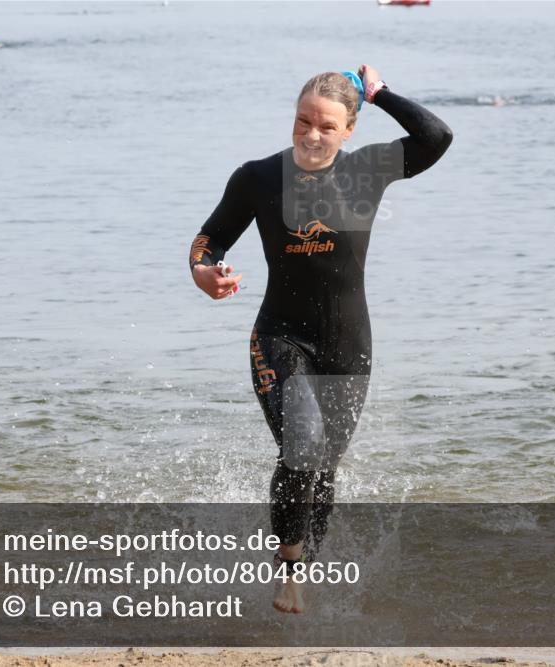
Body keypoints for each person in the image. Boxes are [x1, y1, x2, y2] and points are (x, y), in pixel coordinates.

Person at [188, 65, 452, 613]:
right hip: (281, 335)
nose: (311, 134)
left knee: (323, 464)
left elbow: (436, 137)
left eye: (326, 126)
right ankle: (288, 569)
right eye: (302, 121)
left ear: (349, 129)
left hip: (348, 342)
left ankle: (306, 564)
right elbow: (208, 240)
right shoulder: (258, 178)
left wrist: (380, 94)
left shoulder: (370, 170)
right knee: (302, 441)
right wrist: (204, 272)